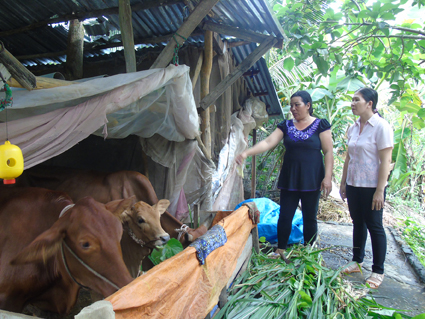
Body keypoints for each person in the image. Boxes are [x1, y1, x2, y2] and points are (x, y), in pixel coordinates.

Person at [236, 90, 334, 258]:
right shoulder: (286, 125)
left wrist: (327, 178)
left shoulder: (321, 125)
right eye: (291, 105)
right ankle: (280, 249)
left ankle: (309, 251)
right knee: (285, 215)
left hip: (312, 178)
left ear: (308, 105)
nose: (293, 108)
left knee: (310, 216)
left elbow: (328, 151)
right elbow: (268, 142)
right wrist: (246, 153)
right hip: (290, 178)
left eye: (297, 104)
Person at [339, 87, 393, 289]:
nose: (352, 104)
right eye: (352, 100)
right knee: (357, 222)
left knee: (375, 226)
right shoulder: (353, 127)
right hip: (354, 184)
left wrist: (380, 190)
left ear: (370, 103)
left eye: (356, 100)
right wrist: (343, 182)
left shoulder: (381, 127)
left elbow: (386, 161)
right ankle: (356, 261)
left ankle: (378, 271)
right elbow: (348, 157)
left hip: (372, 186)